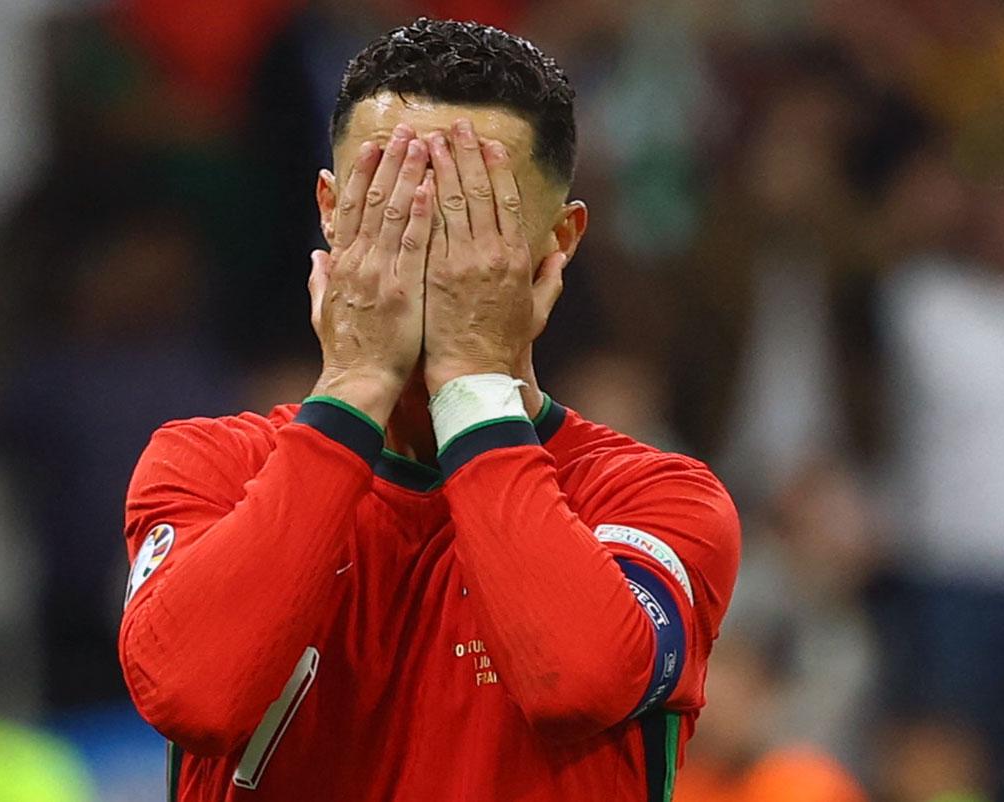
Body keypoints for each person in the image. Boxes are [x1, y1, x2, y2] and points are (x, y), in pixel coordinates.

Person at [118, 18, 740, 801]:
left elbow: (576, 682)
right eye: (392, 207)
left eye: (471, 217)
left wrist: (473, 380)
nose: (424, 247)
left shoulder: (656, 499)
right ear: (330, 213)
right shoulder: (209, 466)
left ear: (560, 242)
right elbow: (192, 696)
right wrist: (354, 383)